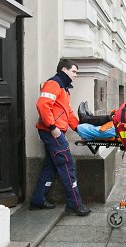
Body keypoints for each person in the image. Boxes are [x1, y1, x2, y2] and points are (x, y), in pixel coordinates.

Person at [30, 59, 91, 216]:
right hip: (52, 132)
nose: (75, 75)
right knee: (66, 165)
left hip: (54, 131)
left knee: (50, 165)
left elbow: (67, 112)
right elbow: (42, 105)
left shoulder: (63, 88)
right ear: (64, 70)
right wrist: (52, 127)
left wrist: (78, 128)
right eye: (74, 71)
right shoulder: (54, 83)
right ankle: (75, 204)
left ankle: (37, 200)